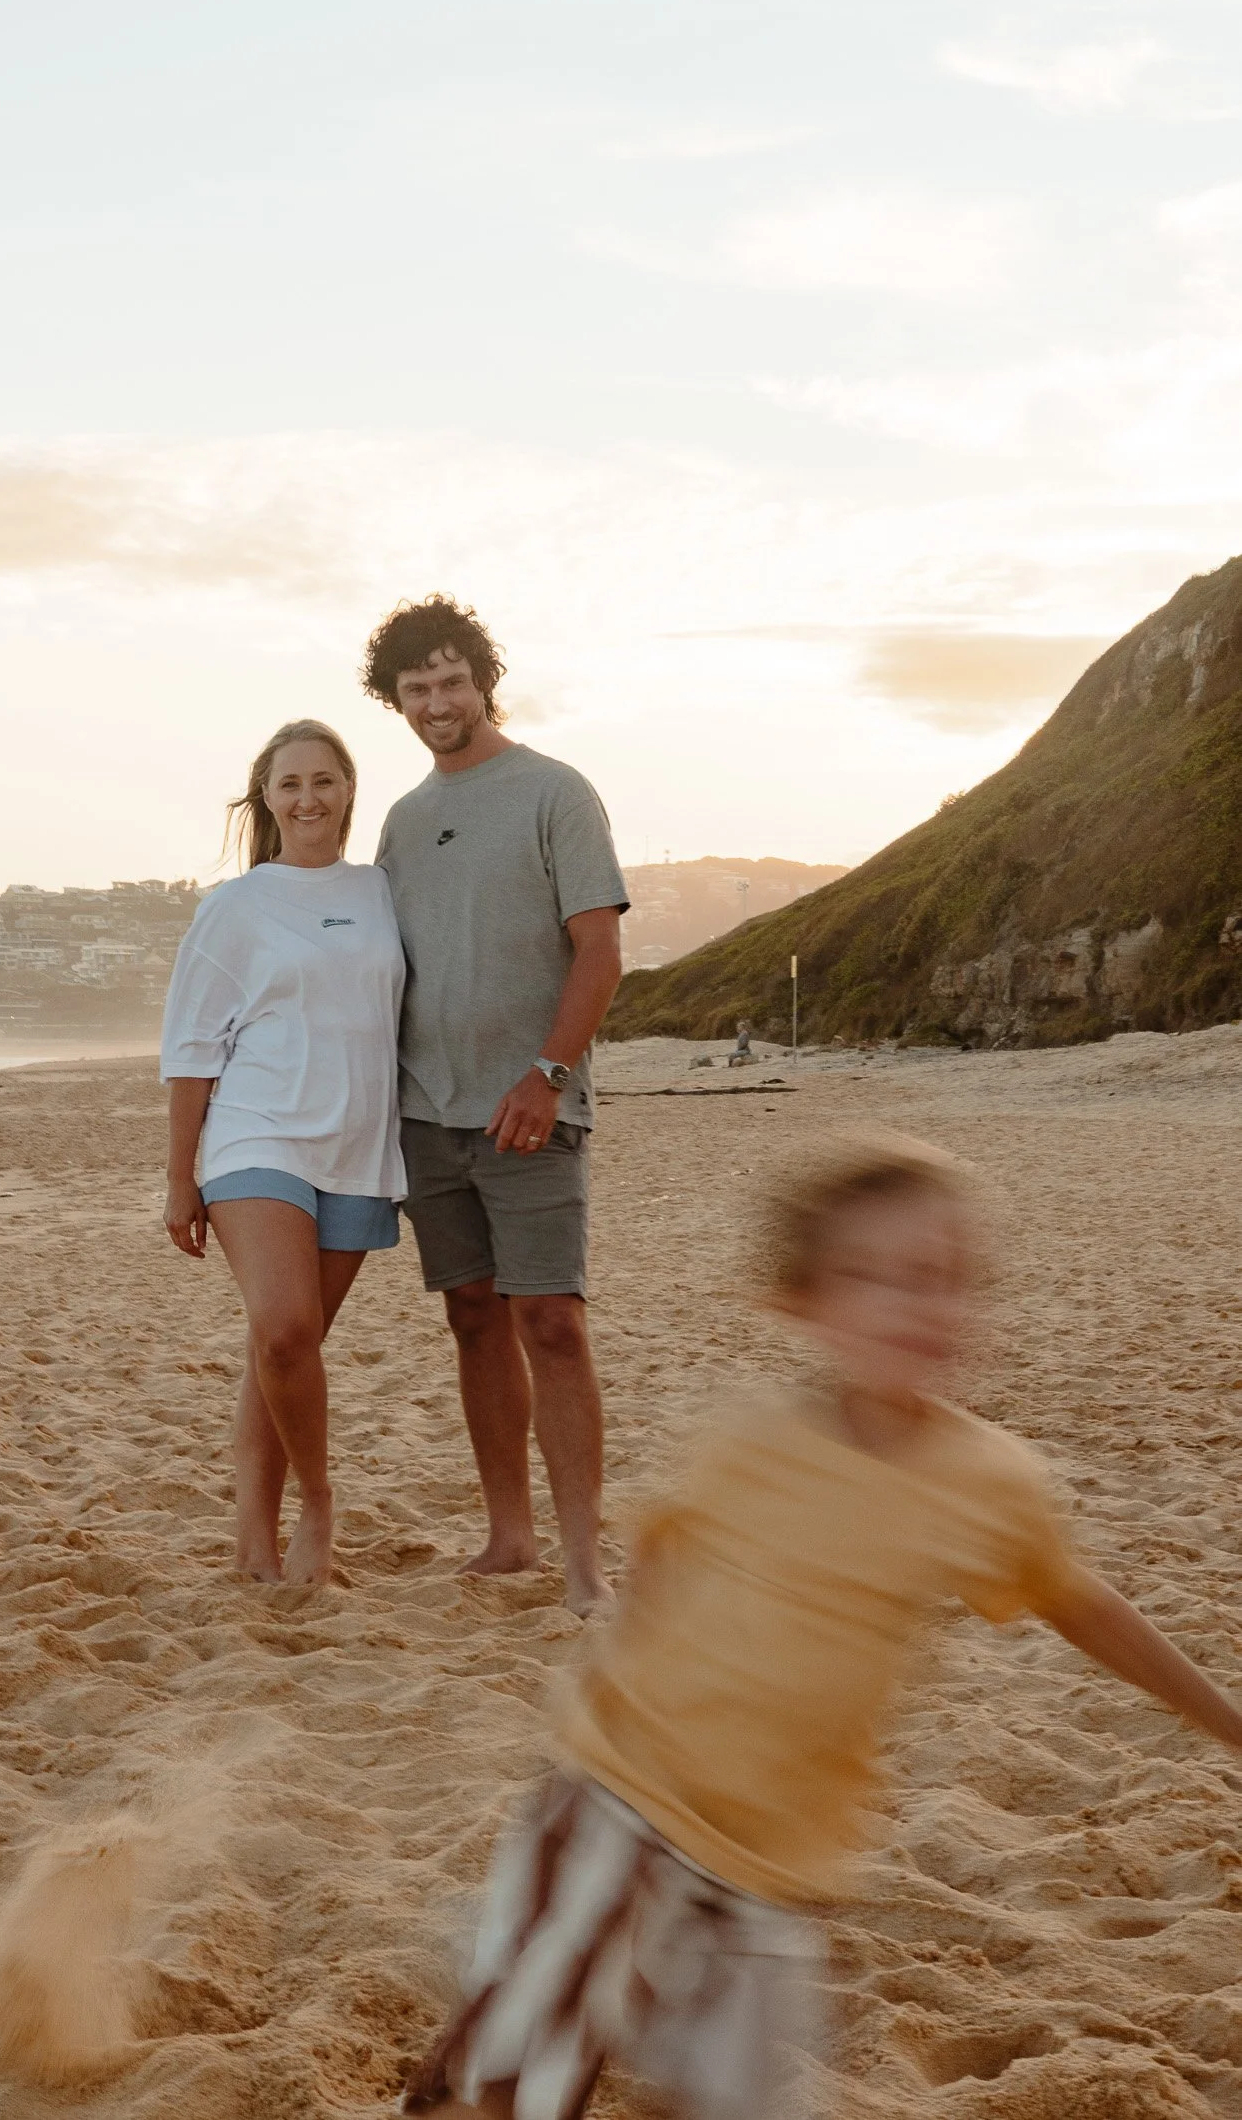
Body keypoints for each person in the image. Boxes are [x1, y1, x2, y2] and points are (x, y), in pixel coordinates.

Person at [401, 1133, 1242, 2120]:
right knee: (516, 2076)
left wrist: (1218, 1713)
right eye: (873, 1278)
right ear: (802, 1303)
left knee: (744, 2094)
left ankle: (515, 1950)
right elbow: (657, 1572)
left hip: (776, 1861)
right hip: (625, 1802)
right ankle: (511, 1967)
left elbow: (1077, 1601)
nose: (916, 1304)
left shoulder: (990, 1481)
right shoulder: (747, 1443)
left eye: (943, 1278)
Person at [365, 597, 628, 1617]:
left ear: (483, 681)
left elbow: (598, 950)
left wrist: (546, 1074)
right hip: (426, 1109)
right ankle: (508, 1535)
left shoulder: (553, 793)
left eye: (450, 680)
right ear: (396, 702)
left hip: (531, 1105)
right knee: (471, 1317)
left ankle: (581, 1562)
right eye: (415, 688)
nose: (437, 701)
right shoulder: (399, 820)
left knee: (551, 1320)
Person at [162, 719, 405, 1587]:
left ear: (348, 790)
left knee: (283, 1352)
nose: (307, 798)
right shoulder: (234, 906)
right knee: (285, 1329)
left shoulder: (384, 890)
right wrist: (178, 1179)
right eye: (289, 784)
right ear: (265, 799)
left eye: (323, 781)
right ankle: (319, 1505)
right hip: (256, 1133)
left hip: (359, 1143)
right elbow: (191, 1048)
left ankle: (252, 1545)